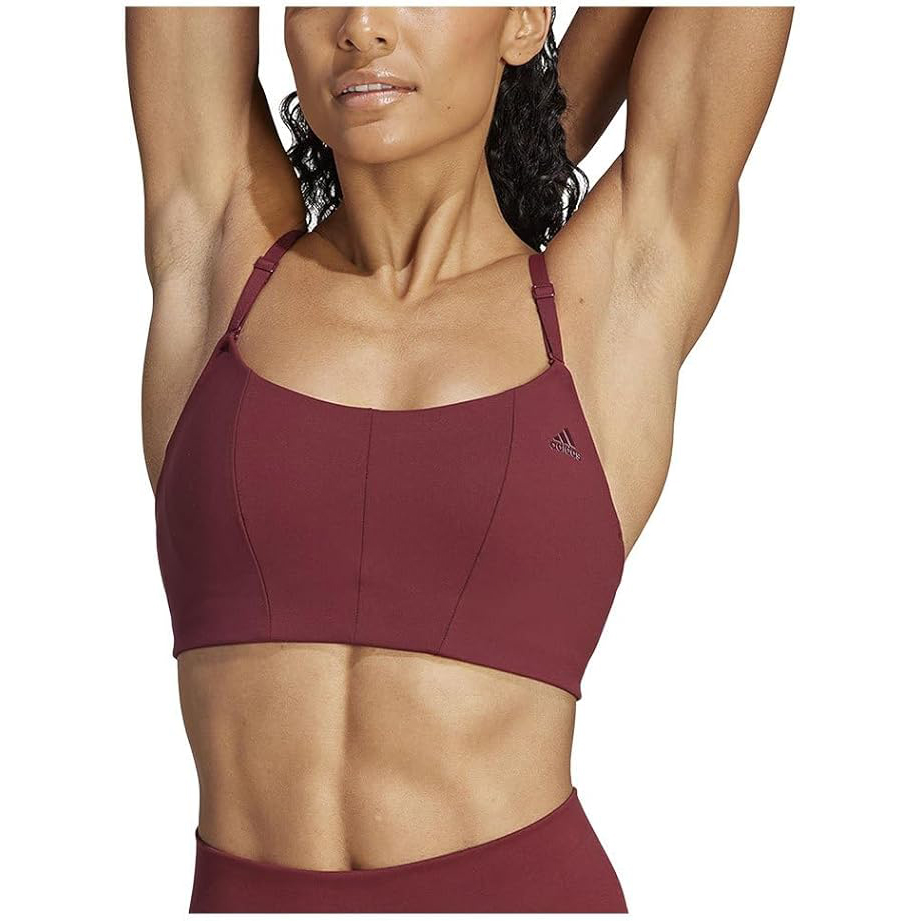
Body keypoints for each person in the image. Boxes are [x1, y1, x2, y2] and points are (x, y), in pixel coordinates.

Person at [127, 6, 792, 912]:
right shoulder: (217, 251)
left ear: (524, 19)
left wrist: (519, 72)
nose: (360, 25)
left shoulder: (604, 305)